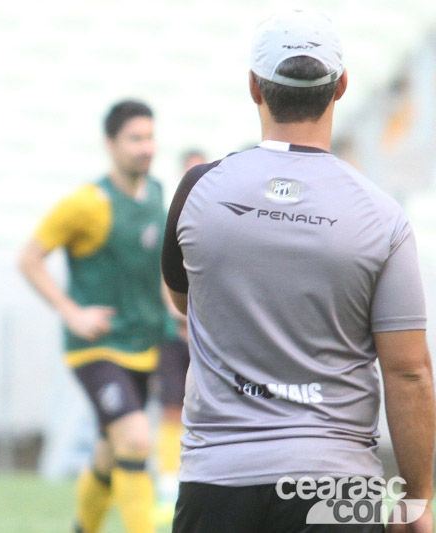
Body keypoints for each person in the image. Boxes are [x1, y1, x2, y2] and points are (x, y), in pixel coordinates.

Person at [162, 9, 434, 532]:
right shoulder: (381, 216)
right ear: (341, 88)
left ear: (254, 87)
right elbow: (408, 371)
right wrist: (415, 499)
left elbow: (184, 299)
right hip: (339, 487)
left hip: (217, 480)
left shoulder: (197, 191)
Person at [19, 99, 166, 533]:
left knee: (110, 451)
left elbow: (152, 268)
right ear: (110, 144)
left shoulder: (157, 193)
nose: (146, 147)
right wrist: (71, 312)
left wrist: (175, 312)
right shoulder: (87, 203)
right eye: (135, 138)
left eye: (150, 137)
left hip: (143, 344)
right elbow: (30, 258)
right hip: (97, 346)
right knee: (137, 439)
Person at [153, 149, 205, 525]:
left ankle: (193, 474)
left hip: (206, 330)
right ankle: (168, 479)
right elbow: (165, 276)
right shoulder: (170, 216)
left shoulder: (219, 214)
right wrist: (182, 321)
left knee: (202, 408)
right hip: (176, 328)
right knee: (173, 405)